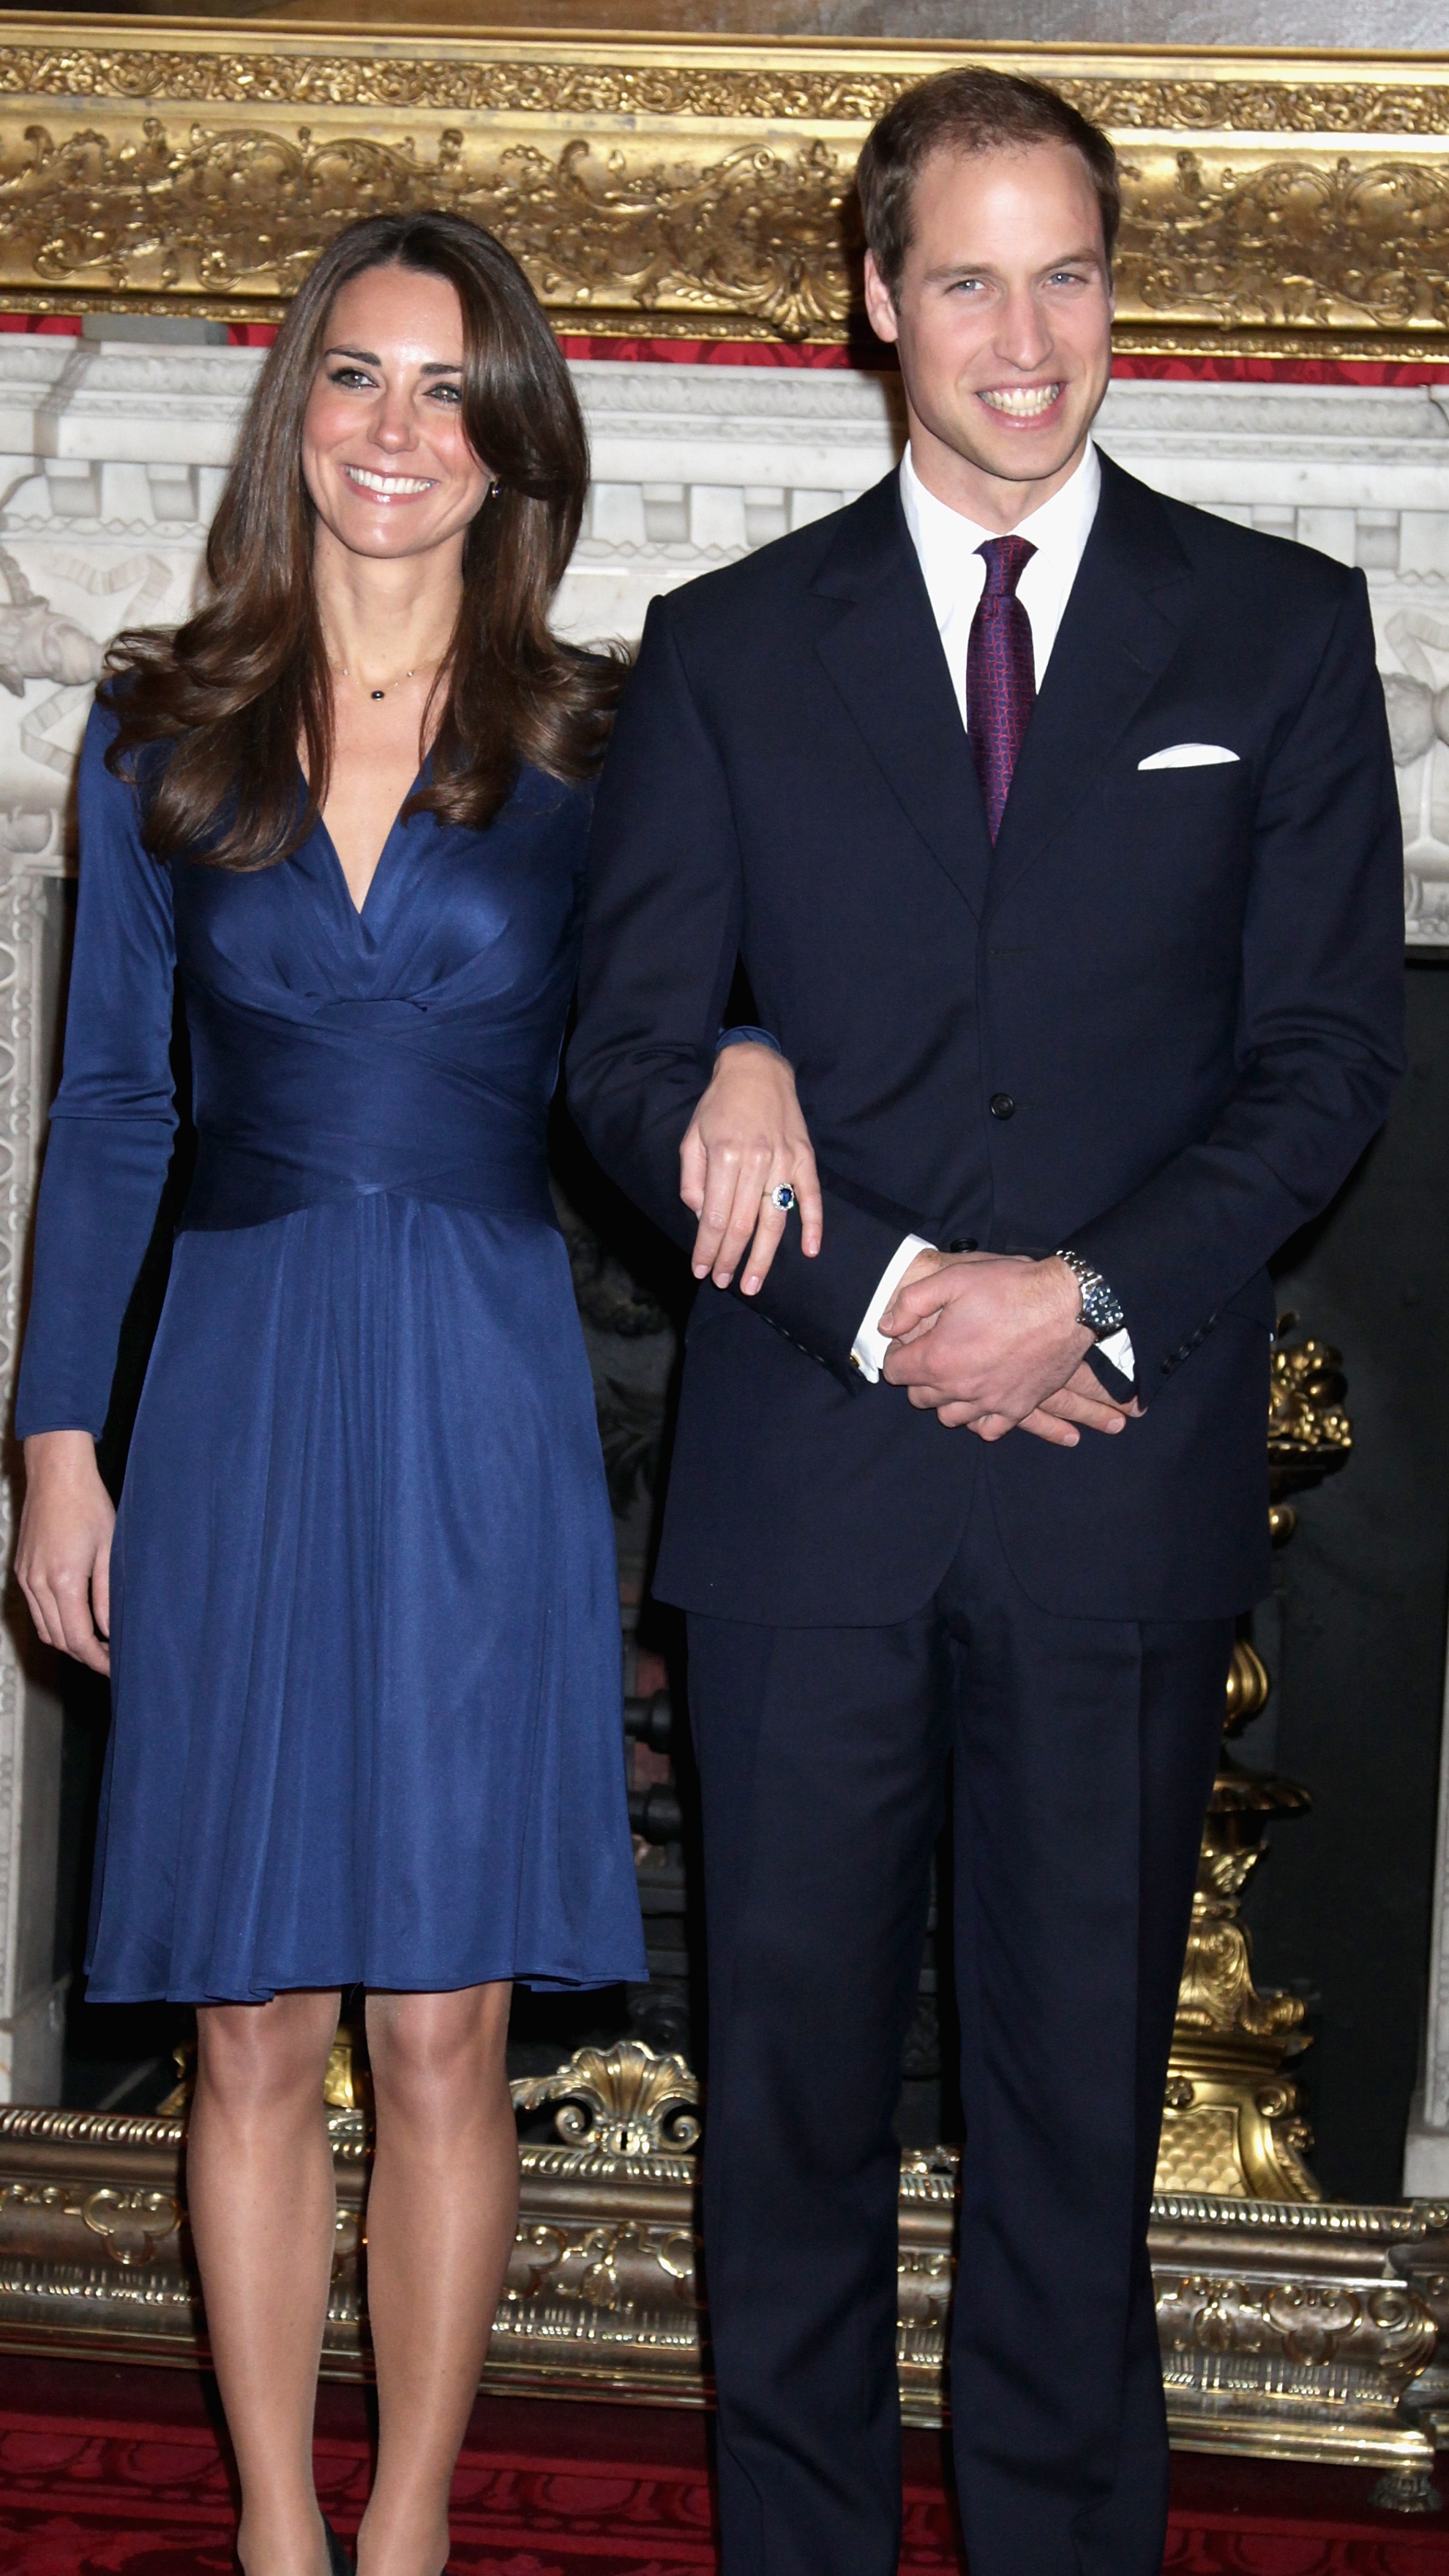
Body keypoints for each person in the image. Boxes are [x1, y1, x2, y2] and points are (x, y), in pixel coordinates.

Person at [568, 67, 1407, 2576]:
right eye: (966, 278)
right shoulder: (725, 650)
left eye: (1066, 276)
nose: (1022, 337)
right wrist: (902, 1300)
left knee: (1070, 2130)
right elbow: (624, 1057)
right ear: (875, 298)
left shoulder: (1277, 626)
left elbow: (1325, 1055)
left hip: (1111, 1490)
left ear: (1114, 296)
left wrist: (1088, 1298)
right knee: (786, 2120)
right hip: (805, 1496)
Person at [11, 211, 805, 2576]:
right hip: (235, 1384)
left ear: (512, 442)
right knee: (250, 2018)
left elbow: (689, 1018)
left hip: (476, 1384)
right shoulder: (155, 726)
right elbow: (114, 1109)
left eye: (450, 389)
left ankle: (415, 2527)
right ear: (298, 415)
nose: (395, 429)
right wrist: (59, 1440)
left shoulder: (598, 742)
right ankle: (279, 2527)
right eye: (357, 375)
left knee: (446, 2021)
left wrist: (755, 1044)